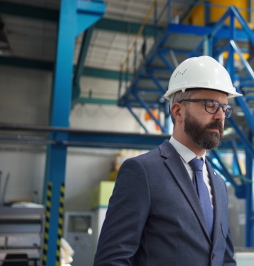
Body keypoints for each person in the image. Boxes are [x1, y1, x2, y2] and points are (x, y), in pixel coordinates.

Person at [94, 56, 239, 265]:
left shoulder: (218, 183)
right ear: (178, 111)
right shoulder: (142, 172)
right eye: (210, 105)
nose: (220, 116)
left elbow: (225, 259)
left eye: (224, 108)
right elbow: (112, 259)